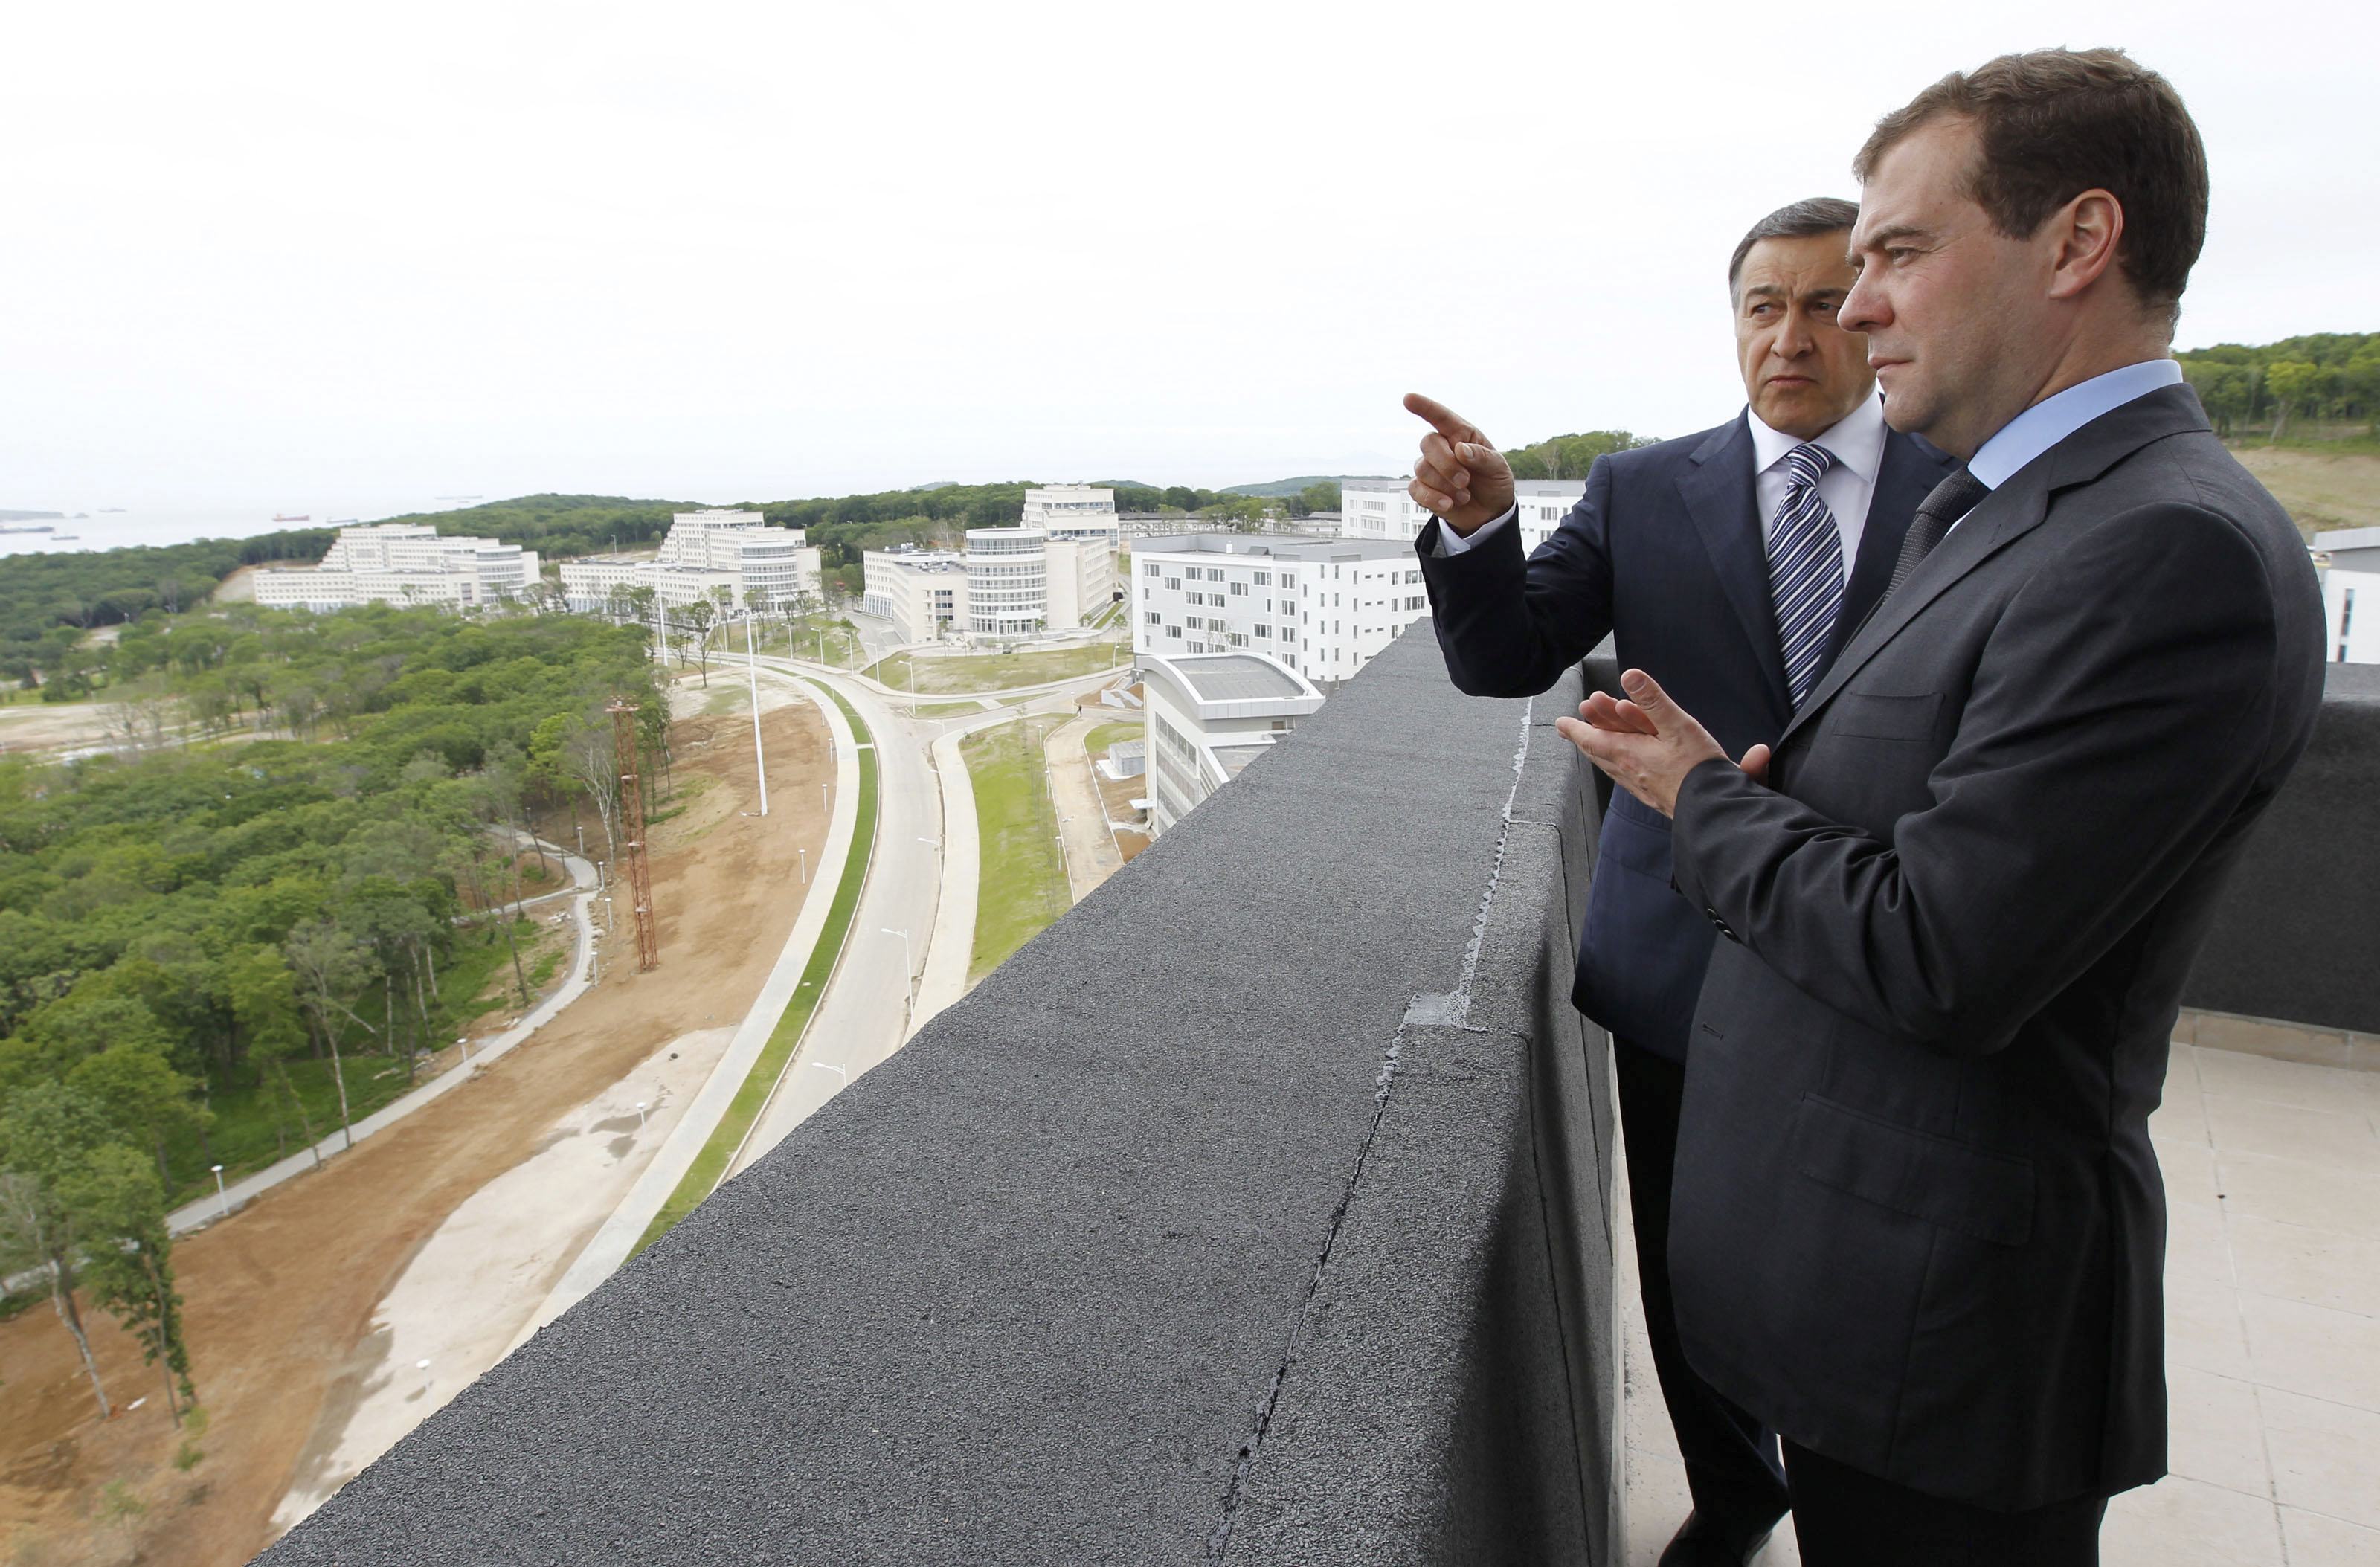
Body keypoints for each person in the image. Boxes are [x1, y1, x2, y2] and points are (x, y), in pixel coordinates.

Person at [1557, 49, 2325, 1566]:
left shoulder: (2165, 551)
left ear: (2078, 241)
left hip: (1948, 1336)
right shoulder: (2010, 507)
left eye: (1897, 252)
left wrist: (1702, 799)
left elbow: (1942, 952)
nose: (1853, 311)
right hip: (1872, 1302)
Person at [1406, 198, 1954, 1567]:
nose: (1791, 335)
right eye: (1763, 306)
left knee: (1862, 1261)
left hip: (1880, 949)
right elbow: (1506, 657)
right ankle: (1737, 1491)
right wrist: (1482, 529)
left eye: (1823, 302)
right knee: (1688, 1256)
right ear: (1734, 325)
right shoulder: (1643, 489)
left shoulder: (1963, 482)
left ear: (1873, 313)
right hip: (1683, 955)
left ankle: (1855, 1496)